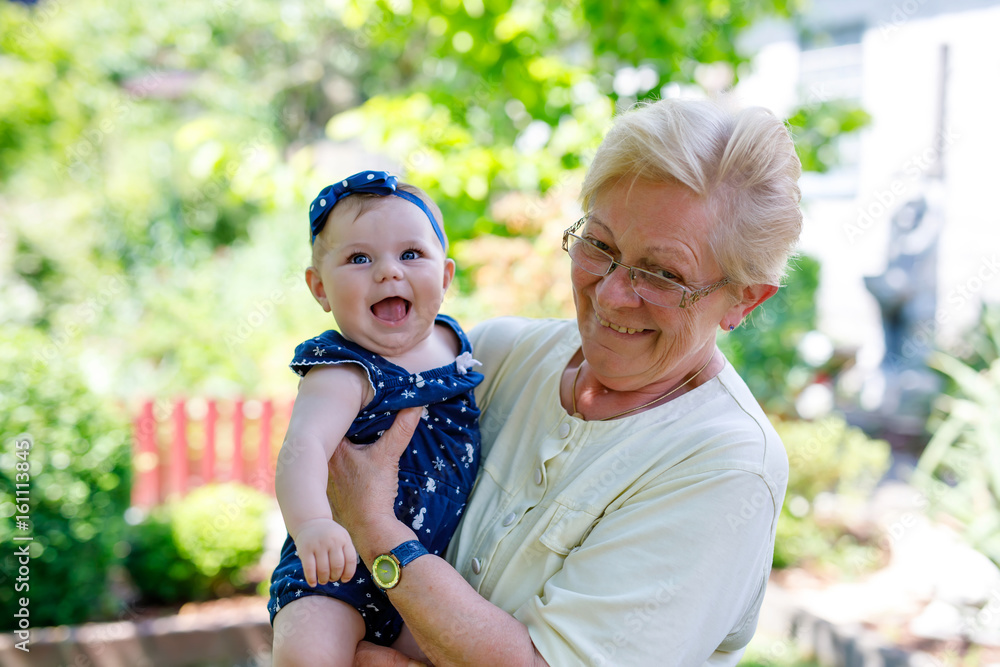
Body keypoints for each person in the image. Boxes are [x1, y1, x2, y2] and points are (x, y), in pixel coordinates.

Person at [325, 97, 803, 667]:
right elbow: (338, 472)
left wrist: (376, 530)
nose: (610, 293)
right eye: (600, 245)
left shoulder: (726, 466)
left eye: (662, 274)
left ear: (744, 300)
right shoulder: (493, 358)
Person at [268, 170, 484, 666]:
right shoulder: (345, 369)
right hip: (336, 571)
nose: (388, 271)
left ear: (445, 277)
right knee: (309, 656)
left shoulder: (455, 345)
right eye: (359, 258)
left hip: (424, 576)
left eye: (411, 254)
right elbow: (302, 449)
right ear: (319, 289)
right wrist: (313, 526)